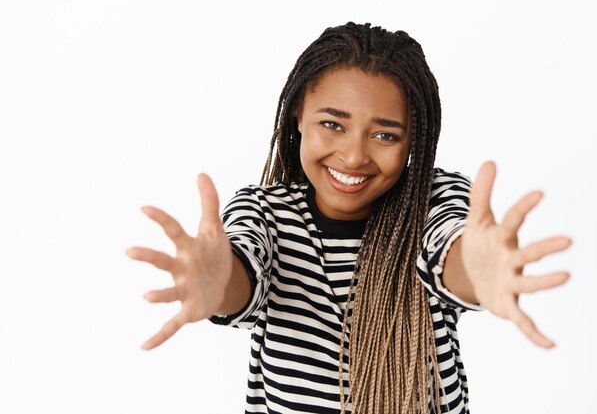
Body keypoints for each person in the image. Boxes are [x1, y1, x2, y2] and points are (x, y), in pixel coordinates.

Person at [126, 22, 572, 414]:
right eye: (332, 125)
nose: (355, 156)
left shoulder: (433, 200)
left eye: (384, 134)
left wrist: (475, 269)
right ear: (298, 116)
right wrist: (218, 281)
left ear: (413, 139)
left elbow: (452, 249)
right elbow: (243, 267)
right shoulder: (266, 212)